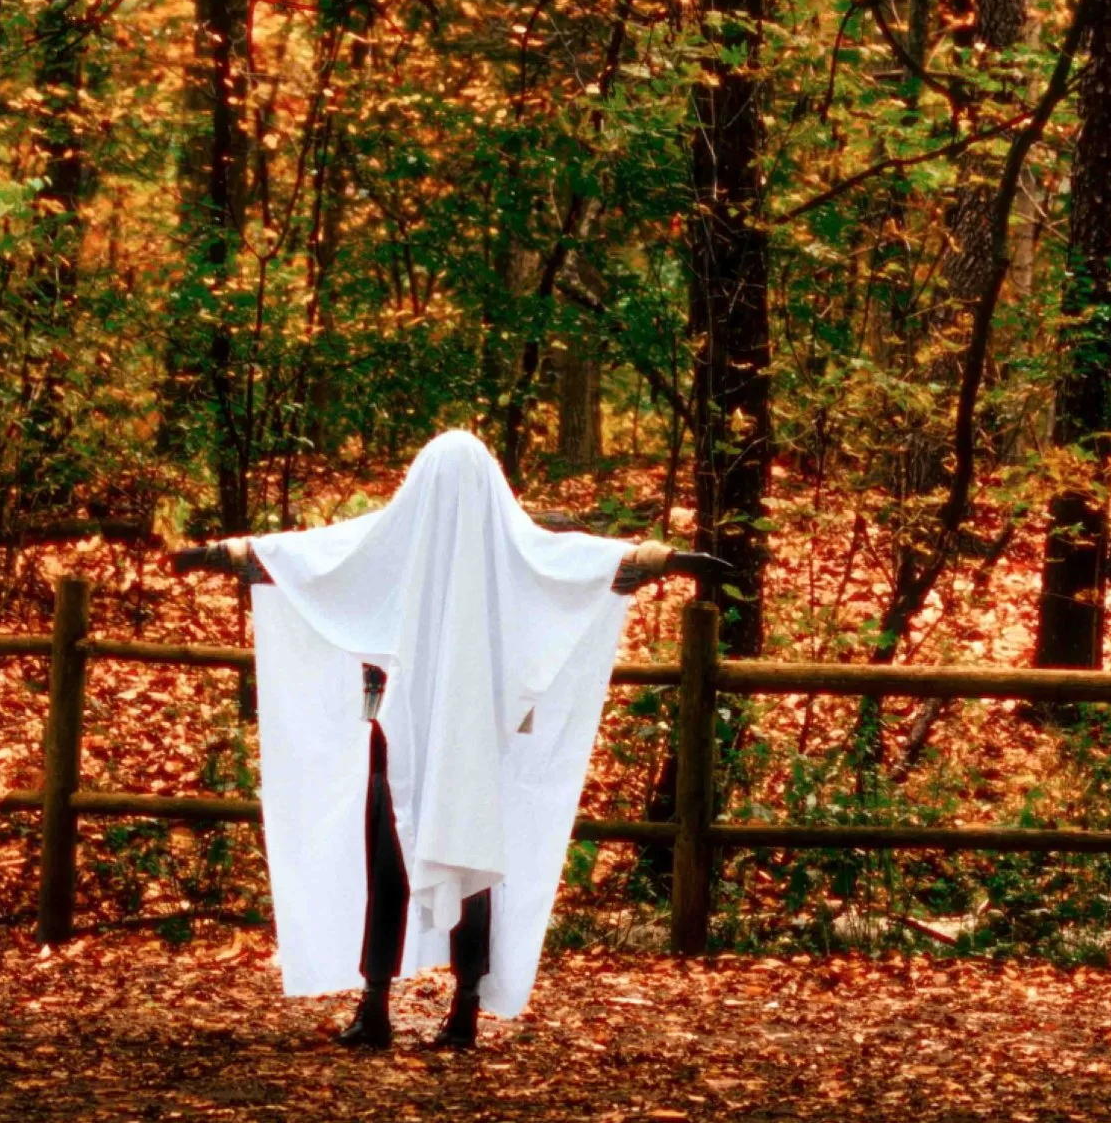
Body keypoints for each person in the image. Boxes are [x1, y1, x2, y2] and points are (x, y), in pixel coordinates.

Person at [172, 430, 723, 1048]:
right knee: (428, 854)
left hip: (459, 733)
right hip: (417, 729)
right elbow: (318, 560)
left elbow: (317, 561)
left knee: (438, 856)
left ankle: (425, 1005)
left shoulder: (483, 547)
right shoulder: (418, 543)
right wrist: (652, 559)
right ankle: (403, 1004)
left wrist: (652, 560)